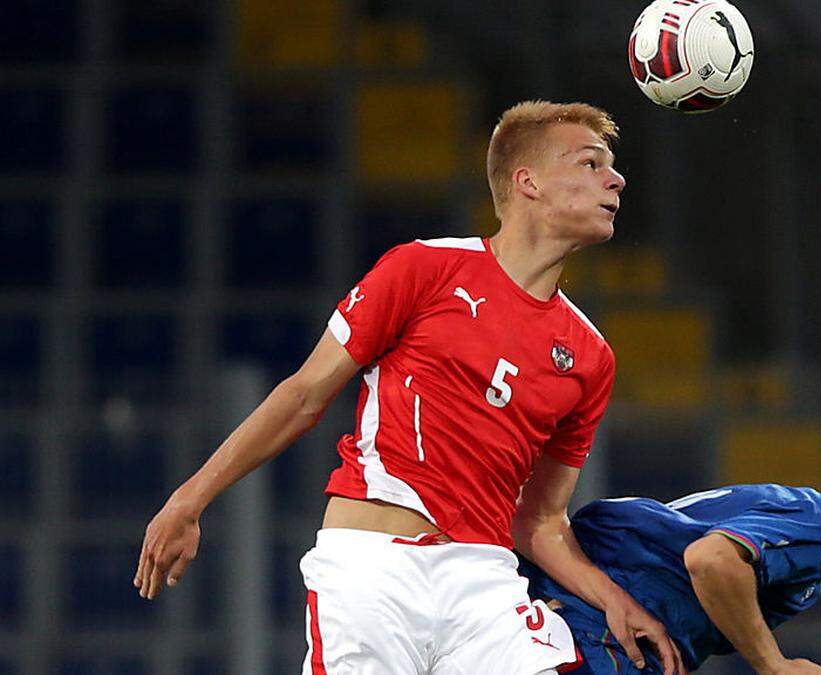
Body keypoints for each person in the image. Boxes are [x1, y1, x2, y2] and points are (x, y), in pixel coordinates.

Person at [133, 100, 683, 675]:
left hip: (484, 583)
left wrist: (614, 600)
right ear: (529, 182)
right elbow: (303, 396)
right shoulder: (425, 269)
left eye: (611, 167)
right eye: (591, 164)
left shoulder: (590, 356)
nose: (615, 179)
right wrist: (188, 500)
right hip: (374, 570)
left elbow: (541, 521)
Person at [522, 370, 821, 674]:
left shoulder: (802, 521)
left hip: (578, 616)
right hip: (595, 631)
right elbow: (710, 559)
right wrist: (774, 665)